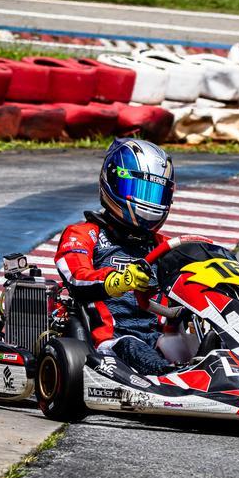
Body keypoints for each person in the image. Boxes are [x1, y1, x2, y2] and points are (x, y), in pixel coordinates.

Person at [54, 138, 177, 375]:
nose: (148, 202)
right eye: (141, 190)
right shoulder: (84, 233)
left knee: (204, 341)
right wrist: (117, 280)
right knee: (131, 346)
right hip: (110, 341)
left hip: (161, 338)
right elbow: (76, 277)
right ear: (113, 182)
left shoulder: (164, 246)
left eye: (155, 194)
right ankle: (167, 377)